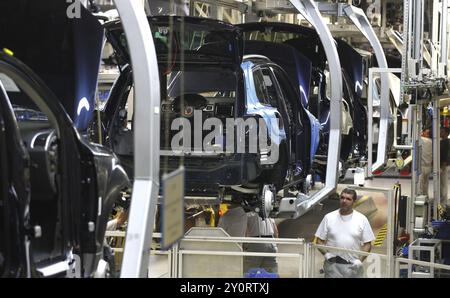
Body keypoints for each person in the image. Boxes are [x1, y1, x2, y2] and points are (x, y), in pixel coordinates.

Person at [315, 188, 375, 278]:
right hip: (332, 265)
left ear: (354, 201)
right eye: (342, 198)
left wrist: (360, 260)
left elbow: (367, 244)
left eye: (348, 199)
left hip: (353, 266)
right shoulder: (329, 218)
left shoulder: (361, 219)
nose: (344, 201)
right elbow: (319, 240)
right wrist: (326, 254)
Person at [419, 127, 433, 197]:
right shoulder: (431, 141)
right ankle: (426, 197)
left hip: (422, 167)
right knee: (426, 184)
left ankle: (421, 199)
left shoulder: (422, 140)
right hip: (428, 167)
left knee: (421, 185)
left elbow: (417, 137)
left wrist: (421, 133)